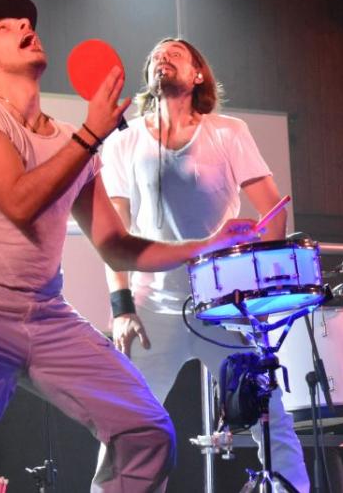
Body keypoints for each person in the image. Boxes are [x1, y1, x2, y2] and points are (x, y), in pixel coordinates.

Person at [0, 0, 258, 493]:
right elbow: (20, 201)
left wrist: (206, 244)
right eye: (5, 24)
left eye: (28, 21)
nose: (24, 24)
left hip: (45, 313)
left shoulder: (67, 138)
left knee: (148, 431)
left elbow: (117, 246)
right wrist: (91, 134)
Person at [99, 37, 310, 491]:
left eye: (176, 52)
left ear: (198, 75)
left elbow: (274, 212)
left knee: (268, 418)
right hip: (152, 306)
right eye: (156, 53)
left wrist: (258, 292)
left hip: (224, 305)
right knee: (125, 424)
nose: (162, 55)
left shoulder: (228, 132)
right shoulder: (124, 141)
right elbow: (114, 232)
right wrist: (120, 307)